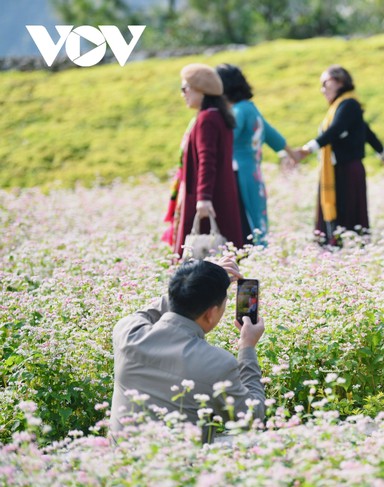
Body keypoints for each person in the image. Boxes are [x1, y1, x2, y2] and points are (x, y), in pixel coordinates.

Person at [110, 257, 266, 441]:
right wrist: (247, 347)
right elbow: (251, 417)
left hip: (121, 456)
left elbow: (148, 313)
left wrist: (193, 281)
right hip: (180, 459)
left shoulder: (127, 332)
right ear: (211, 313)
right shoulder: (217, 363)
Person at [294, 65, 384, 245]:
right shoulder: (342, 106)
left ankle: (344, 249)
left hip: (346, 169)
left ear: (340, 82)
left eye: (325, 83)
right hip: (337, 169)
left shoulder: (349, 104)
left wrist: (308, 149)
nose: (323, 89)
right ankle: (335, 248)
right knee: (342, 215)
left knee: (347, 214)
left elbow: (335, 130)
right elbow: (367, 132)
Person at [215, 63, 298, 246]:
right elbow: (273, 136)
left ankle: (249, 251)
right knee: (256, 214)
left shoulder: (238, 111)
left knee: (244, 217)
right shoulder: (250, 108)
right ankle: (260, 249)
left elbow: (226, 139)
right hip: (254, 172)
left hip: (238, 173)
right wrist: (293, 154)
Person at [171, 63, 244, 259]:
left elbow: (207, 160)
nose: (183, 94)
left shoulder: (207, 119)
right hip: (219, 193)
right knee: (224, 257)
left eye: (185, 88)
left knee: (202, 257)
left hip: (209, 196)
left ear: (201, 90)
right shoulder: (218, 116)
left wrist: (203, 197)